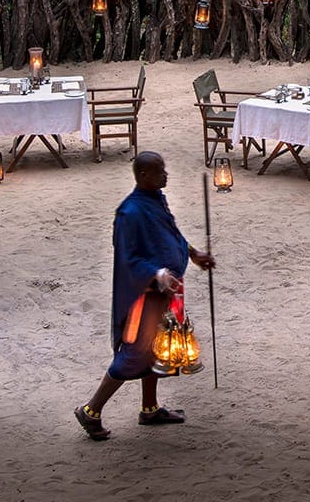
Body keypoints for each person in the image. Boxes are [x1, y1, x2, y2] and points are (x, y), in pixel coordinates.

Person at [76, 151, 215, 441]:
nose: (166, 175)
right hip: (145, 296)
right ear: (143, 176)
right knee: (136, 353)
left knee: (158, 349)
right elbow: (129, 259)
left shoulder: (156, 200)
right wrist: (157, 274)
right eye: (160, 171)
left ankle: (149, 408)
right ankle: (91, 410)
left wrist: (193, 254)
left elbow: (171, 234)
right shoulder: (129, 213)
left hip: (167, 293)